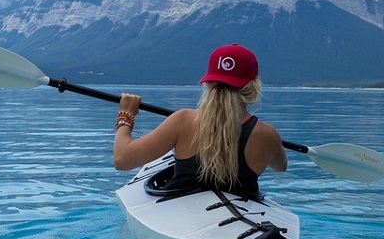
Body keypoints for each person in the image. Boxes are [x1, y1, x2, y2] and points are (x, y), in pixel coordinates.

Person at [112, 44, 287, 197]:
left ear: (208, 83)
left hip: (181, 211)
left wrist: (125, 116)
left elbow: (122, 160)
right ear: (253, 87)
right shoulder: (267, 134)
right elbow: (281, 167)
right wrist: (273, 144)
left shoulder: (183, 121)